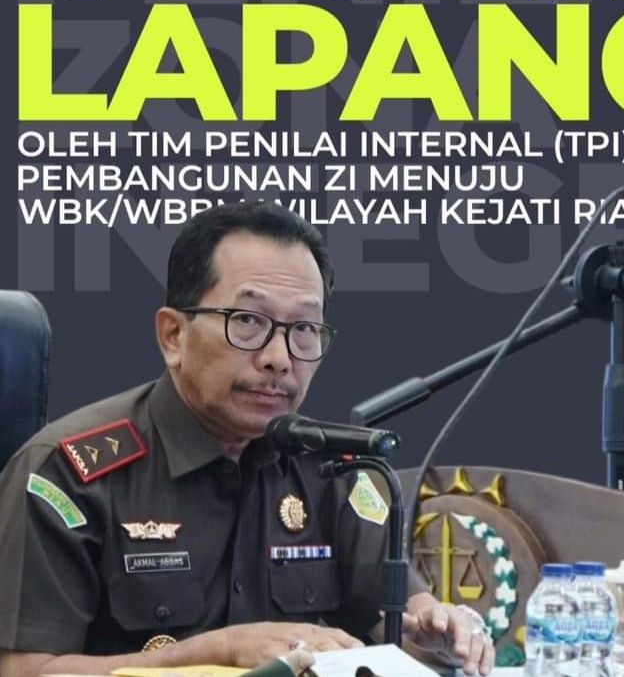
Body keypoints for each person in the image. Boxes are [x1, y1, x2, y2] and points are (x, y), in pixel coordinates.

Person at [0, 202, 495, 676]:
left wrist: (437, 632)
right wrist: (215, 653)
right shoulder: (66, 472)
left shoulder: (331, 470)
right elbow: (22, 670)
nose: (279, 357)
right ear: (173, 335)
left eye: (304, 328)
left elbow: (400, 621)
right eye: (249, 321)